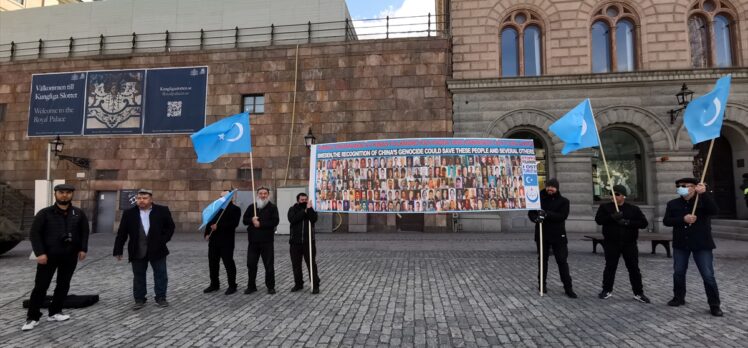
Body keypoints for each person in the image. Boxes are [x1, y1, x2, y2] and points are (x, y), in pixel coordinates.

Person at [22, 184, 89, 331]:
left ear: (72, 195)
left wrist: (83, 249)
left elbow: (84, 232)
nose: (64, 195)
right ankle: (33, 317)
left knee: (63, 285)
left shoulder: (78, 213)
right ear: (55, 194)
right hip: (48, 256)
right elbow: (34, 234)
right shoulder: (44, 213)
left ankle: (55, 312)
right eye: (61, 192)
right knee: (41, 287)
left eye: (67, 193)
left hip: (69, 256)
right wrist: (39, 253)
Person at [664, 178, 723, 316]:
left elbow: (714, 211)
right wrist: (682, 219)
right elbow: (667, 221)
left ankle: (714, 304)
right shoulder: (673, 204)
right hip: (681, 243)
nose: (681, 188)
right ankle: (679, 297)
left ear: (694, 187)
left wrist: (704, 194)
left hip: (701, 244)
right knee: (678, 272)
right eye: (679, 186)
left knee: (708, 275)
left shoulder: (703, 200)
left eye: (684, 186)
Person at [113, 188, 175, 310]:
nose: (141, 200)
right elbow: (122, 233)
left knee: (161, 274)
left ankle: (161, 297)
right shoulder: (129, 213)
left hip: (158, 249)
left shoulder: (162, 211)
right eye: (139, 198)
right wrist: (118, 249)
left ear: (151, 199)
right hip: (137, 249)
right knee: (138, 275)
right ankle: (139, 299)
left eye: (145, 198)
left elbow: (170, 227)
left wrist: (163, 240)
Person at [594, 185, 650, 303]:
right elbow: (599, 220)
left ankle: (638, 292)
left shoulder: (633, 209)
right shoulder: (605, 207)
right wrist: (611, 217)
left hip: (629, 243)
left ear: (623, 196)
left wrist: (628, 222)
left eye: (617, 194)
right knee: (610, 267)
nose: (613, 196)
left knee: (633, 268)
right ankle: (606, 290)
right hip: (611, 243)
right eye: (611, 194)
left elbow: (643, 223)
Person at [527, 178, 577, 298]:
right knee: (542, 261)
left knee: (562, 261)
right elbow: (531, 213)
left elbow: (562, 216)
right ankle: (542, 285)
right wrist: (535, 219)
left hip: (558, 236)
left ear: (557, 188)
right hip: (542, 234)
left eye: (552, 187)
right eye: (548, 186)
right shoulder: (537, 199)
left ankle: (568, 287)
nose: (550, 189)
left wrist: (546, 214)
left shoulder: (564, 201)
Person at [203, 190, 241, 295]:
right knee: (213, 263)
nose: (221, 199)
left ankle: (232, 285)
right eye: (220, 197)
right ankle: (214, 284)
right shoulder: (216, 208)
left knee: (228, 263)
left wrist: (218, 226)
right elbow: (209, 221)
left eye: (224, 197)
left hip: (226, 241)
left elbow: (234, 224)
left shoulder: (235, 209)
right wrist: (206, 233)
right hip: (214, 241)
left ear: (230, 198)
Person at [243, 187, 280, 294]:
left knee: (268, 265)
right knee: (251, 264)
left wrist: (261, 224)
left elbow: (275, 221)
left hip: (267, 241)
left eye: (265, 193)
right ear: (257, 195)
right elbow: (244, 220)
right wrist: (251, 220)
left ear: (268, 195)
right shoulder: (252, 207)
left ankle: (270, 286)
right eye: (260, 193)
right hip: (253, 241)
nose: (263, 195)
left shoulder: (272, 207)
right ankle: (251, 286)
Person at [287, 193, 321, 294]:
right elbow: (292, 219)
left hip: (308, 242)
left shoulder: (311, 209)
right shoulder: (292, 209)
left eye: (306, 199)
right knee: (296, 265)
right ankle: (298, 284)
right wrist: (304, 211)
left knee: (311, 264)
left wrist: (309, 210)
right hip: (295, 242)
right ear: (298, 200)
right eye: (302, 200)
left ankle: (315, 285)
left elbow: (314, 219)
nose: (304, 201)